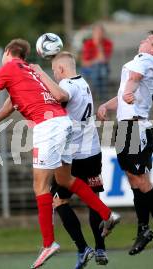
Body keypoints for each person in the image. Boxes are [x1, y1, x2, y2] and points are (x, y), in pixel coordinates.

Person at [0, 39, 120, 269]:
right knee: (64, 179)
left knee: (40, 187)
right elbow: (3, 112)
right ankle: (107, 214)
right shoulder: (31, 73)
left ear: (7, 53)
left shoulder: (9, 68)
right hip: (63, 124)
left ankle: (48, 243)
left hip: (48, 128)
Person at [30, 51, 110, 269]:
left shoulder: (67, 85)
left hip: (72, 156)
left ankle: (83, 248)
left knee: (59, 201)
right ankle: (100, 247)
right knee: (94, 198)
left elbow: (60, 97)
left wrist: (40, 74)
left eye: (55, 71)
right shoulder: (83, 82)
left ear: (62, 70)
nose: (54, 75)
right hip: (92, 151)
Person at [97, 30, 153, 256]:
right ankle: (144, 230)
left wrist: (128, 92)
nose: (142, 41)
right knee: (132, 178)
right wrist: (107, 105)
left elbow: (132, 82)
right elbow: (125, 92)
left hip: (136, 127)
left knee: (142, 179)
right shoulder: (141, 61)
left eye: (147, 40)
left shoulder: (146, 59)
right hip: (125, 127)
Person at [80, 24, 113, 101]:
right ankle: (102, 96)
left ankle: (94, 95)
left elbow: (104, 60)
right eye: (97, 33)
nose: (99, 35)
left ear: (103, 34)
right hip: (89, 68)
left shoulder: (108, 43)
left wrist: (99, 45)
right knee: (100, 71)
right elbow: (84, 63)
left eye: (100, 33)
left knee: (101, 69)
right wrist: (96, 61)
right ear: (93, 33)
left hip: (103, 67)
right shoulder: (87, 44)